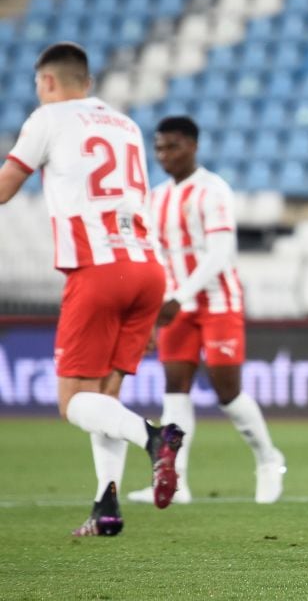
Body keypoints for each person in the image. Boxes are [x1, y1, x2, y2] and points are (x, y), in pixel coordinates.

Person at [0, 42, 184, 536]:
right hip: (146, 270)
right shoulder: (124, 126)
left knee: (72, 402)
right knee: (106, 397)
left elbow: (5, 186)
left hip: (97, 270)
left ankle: (156, 437)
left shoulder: (48, 117)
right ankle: (107, 507)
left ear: (48, 83)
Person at [126, 116, 285, 505]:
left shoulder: (213, 190)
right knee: (174, 390)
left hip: (217, 302)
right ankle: (175, 482)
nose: (164, 156)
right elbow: (155, 257)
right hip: (175, 306)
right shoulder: (156, 196)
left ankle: (268, 459)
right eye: (159, 148)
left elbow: (219, 254)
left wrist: (180, 296)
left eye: (173, 147)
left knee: (226, 391)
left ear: (193, 146)